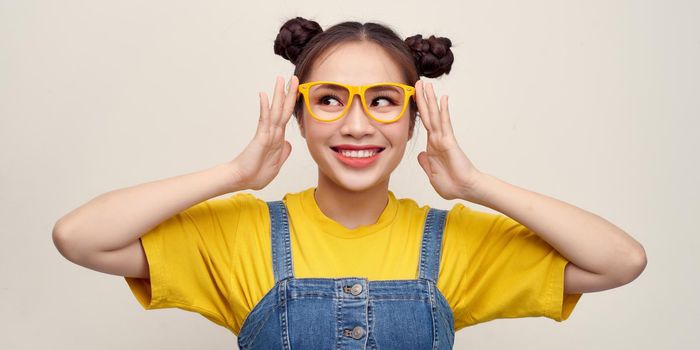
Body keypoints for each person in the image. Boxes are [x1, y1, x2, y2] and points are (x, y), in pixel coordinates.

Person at [52, 17, 647, 349]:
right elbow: (80, 237)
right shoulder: (240, 234)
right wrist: (234, 174)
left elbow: (620, 261)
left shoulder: (457, 242)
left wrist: (476, 184)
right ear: (298, 116)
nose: (357, 124)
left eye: (383, 101)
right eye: (330, 100)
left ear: (415, 118)